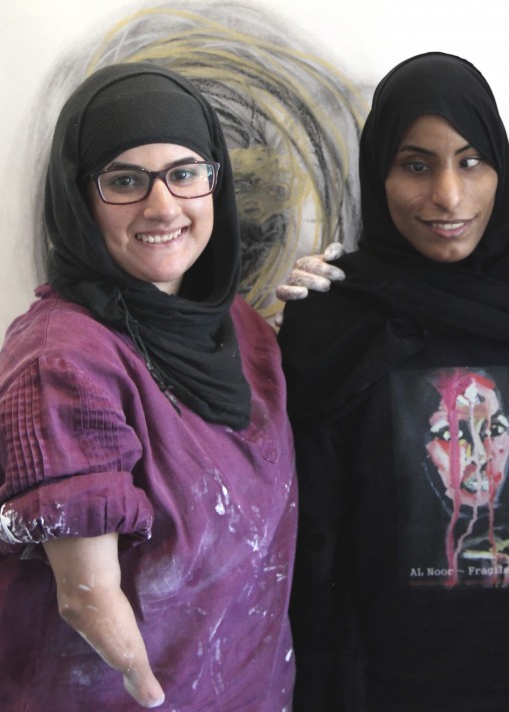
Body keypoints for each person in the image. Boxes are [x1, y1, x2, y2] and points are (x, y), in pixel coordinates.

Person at [277, 52, 509, 710]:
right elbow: (312, 538)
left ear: (501, 167)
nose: (448, 196)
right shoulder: (337, 319)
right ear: (379, 173)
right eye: (416, 166)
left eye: (470, 161)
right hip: (381, 686)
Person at [0, 63, 296, 710]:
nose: (162, 206)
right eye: (125, 181)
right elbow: (87, 597)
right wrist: (150, 689)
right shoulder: (61, 363)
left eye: (185, 174)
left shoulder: (241, 329)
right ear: (80, 197)